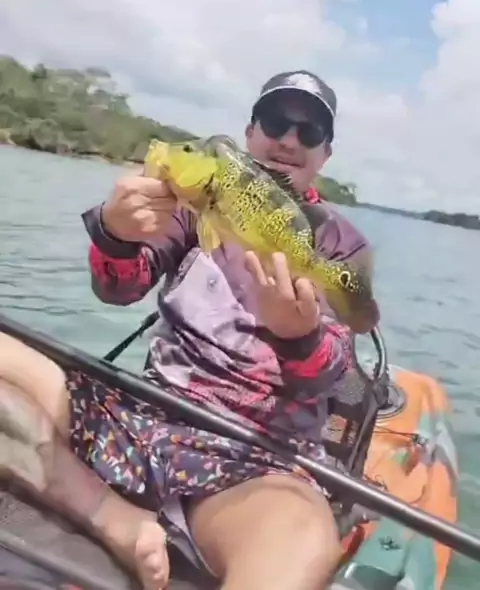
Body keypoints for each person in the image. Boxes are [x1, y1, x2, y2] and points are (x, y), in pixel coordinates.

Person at [0, 70, 379, 590]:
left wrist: (299, 337)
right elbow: (119, 288)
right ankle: (113, 518)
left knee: (301, 542)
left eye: (308, 132)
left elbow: (331, 374)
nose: (289, 140)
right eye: (275, 122)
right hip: (142, 417)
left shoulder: (337, 245)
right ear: (250, 133)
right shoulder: (188, 204)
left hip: (255, 460)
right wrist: (114, 234)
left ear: (325, 154)